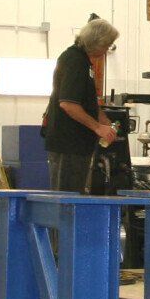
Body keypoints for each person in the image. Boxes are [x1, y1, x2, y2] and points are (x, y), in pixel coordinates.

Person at [41, 17, 119, 194]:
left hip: (77, 145)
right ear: (97, 43)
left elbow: (86, 101)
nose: (106, 50)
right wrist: (97, 127)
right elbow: (68, 104)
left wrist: (104, 120)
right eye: (106, 45)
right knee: (67, 196)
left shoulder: (84, 62)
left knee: (75, 192)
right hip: (68, 144)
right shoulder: (74, 61)